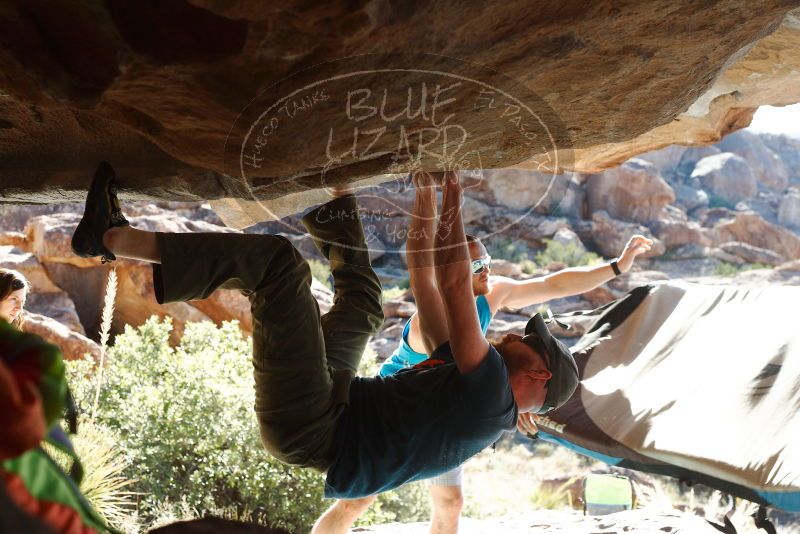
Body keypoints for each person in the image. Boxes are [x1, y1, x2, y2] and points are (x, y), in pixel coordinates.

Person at [72, 163, 577, 517]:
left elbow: (451, 281)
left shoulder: (490, 395)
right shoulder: (476, 385)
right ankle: (315, 192)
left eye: (529, 340)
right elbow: (423, 270)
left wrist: (453, 191)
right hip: (333, 397)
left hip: (312, 424)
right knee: (362, 304)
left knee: (278, 267)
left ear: (539, 373)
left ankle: (111, 238)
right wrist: (427, 188)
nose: (518, 330)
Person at [319, 172, 653, 534]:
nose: (488, 270)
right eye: (477, 266)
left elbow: (553, 285)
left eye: (488, 260)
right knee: (358, 500)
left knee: (451, 502)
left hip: (452, 412)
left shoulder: (494, 293)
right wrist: (429, 192)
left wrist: (617, 266)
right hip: (402, 414)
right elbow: (422, 269)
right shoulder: (434, 319)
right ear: (458, 270)